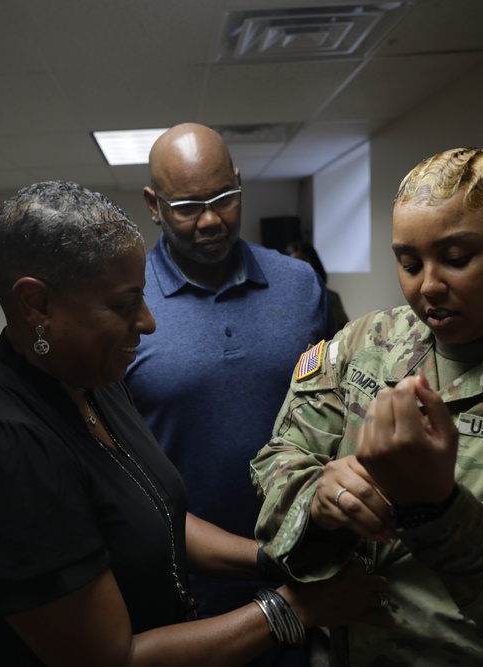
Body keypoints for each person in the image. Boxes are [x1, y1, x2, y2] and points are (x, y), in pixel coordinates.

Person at [0, 180, 391, 667]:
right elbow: (113, 657)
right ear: (36, 304)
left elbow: (154, 516)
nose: (148, 321)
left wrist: (277, 559)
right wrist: (299, 606)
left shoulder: (88, 374)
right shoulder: (2, 449)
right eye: (123, 305)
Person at [251, 148, 483, 665]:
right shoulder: (366, 342)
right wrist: (318, 502)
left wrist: (439, 510)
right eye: (409, 263)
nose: (427, 286)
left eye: (456, 259)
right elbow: (280, 458)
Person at [123, 123, 332, 650]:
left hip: (305, 561)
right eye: (188, 206)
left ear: (240, 182)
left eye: (224, 198)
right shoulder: (125, 305)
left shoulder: (300, 284)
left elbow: (330, 413)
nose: (211, 219)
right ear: (153, 203)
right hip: (185, 581)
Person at [285, 240, 350, 330]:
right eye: (293, 264)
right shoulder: (281, 300)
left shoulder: (330, 298)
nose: (298, 270)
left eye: (303, 263)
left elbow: (344, 333)